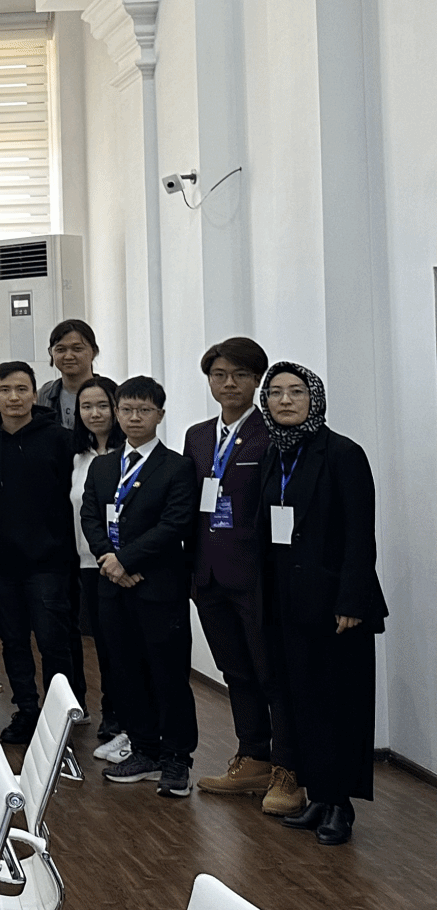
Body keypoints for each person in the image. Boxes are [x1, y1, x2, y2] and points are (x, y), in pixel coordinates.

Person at [255, 363, 386, 846]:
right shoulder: (273, 453)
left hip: (335, 606)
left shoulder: (343, 453)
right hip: (286, 601)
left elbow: (360, 535)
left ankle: (340, 806)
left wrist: (351, 599)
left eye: (296, 391)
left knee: (339, 704)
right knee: (300, 702)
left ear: (315, 399)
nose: (285, 400)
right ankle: (318, 795)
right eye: (275, 392)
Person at [184, 337, 295, 810]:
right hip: (208, 575)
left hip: (257, 578)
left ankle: (289, 769)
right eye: (219, 375)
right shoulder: (197, 436)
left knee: (273, 672)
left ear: (257, 381)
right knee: (235, 671)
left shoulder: (273, 435)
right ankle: (252, 757)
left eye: (240, 375)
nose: (228, 383)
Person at [80, 375, 199, 798]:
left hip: (157, 587)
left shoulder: (177, 467)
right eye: (127, 409)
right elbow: (90, 517)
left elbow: (174, 524)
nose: (134, 417)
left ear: (159, 415)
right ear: (117, 412)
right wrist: (108, 560)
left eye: (144, 410)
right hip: (112, 586)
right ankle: (145, 749)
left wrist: (126, 560)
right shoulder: (103, 466)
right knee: (125, 670)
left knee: (167, 673)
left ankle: (176, 758)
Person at [0, 360, 81, 744]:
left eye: (22, 389)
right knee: (14, 642)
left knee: (54, 643)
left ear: (35, 394)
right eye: (5, 390)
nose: (14, 397)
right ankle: (26, 709)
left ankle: (60, 715)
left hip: (50, 562)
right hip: (2, 563)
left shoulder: (60, 439)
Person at [69, 376, 126, 755]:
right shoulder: (76, 458)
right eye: (86, 407)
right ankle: (110, 710)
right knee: (100, 643)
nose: (94, 413)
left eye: (102, 405)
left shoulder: (130, 453)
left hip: (123, 564)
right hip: (85, 562)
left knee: (121, 643)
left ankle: (124, 713)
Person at [36, 320, 100, 433]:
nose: (68, 356)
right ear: (51, 352)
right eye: (61, 350)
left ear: (93, 352)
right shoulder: (43, 395)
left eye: (77, 349)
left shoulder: (111, 393)